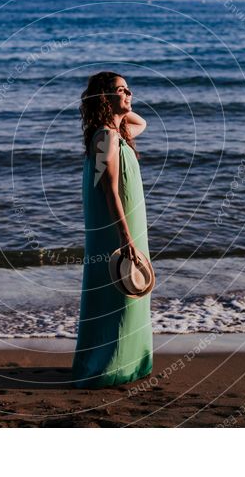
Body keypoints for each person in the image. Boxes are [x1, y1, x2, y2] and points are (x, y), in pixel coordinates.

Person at [71, 71, 153, 388]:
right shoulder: (105, 137)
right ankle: (107, 366)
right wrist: (125, 237)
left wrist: (120, 103)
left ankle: (131, 361)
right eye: (122, 90)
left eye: (130, 89)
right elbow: (110, 191)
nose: (129, 94)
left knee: (127, 293)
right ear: (104, 98)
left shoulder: (116, 133)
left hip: (130, 223)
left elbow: (140, 122)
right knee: (117, 292)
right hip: (119, 226)